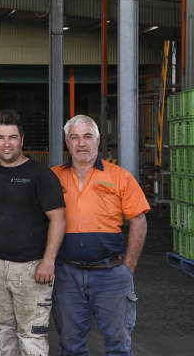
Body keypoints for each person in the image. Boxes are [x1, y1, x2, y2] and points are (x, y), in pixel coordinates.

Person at [0, 110, 66, 356]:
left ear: (22, 139)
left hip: (32, 268)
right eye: (1, 138)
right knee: (2, 329)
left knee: (31, 335)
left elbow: (59, 219)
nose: (7, 143)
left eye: (12, 137)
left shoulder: (41, 175)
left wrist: (48, 261)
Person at [51, 115, 149, 355]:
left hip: (111, 274)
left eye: (87, 137)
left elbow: (138, 220)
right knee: (70, 344)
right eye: (74, 137)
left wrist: (129, 266)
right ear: (67, 142)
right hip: (66, 274)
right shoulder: (52, 177)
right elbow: (30, 215)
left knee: (117, 342)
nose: (81, 143)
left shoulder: (120, 176)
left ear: (97, 140)